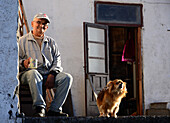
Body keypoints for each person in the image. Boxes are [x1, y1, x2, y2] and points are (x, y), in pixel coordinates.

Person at [18, 13, 72, 117]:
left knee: (66, 78)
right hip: (28, 74)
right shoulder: (22, 41)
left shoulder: (51, 42)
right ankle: (40, 108)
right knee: (33, 73)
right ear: (32, 24)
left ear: (46, 27)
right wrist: (23, 63)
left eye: (44, 24)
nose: (41, 25)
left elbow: (57, 60)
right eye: (38, 22)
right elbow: (15, 60)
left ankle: (54, 109)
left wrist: (52, 74)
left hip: (48, 74)